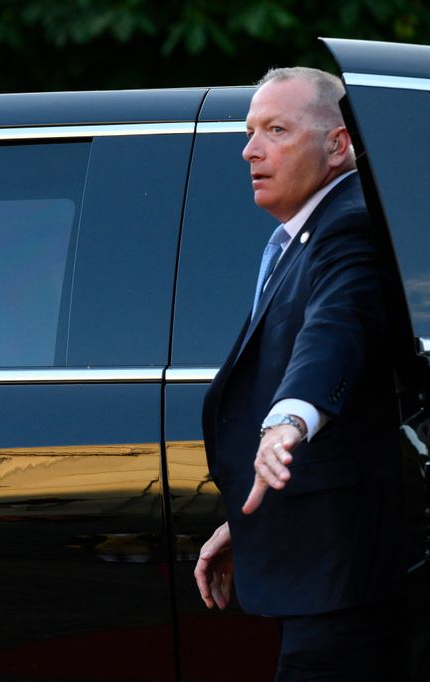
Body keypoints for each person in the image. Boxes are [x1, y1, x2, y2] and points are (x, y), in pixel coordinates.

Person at [193, 67, 404, 680]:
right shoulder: (306, 233)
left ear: (338, 145)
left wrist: (289, 419)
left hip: (341, 580)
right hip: (315, 564)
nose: (250, 149)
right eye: (250, 131)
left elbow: (334, 331)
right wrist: (251, 523)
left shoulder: (351, 224)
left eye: (277, 130)